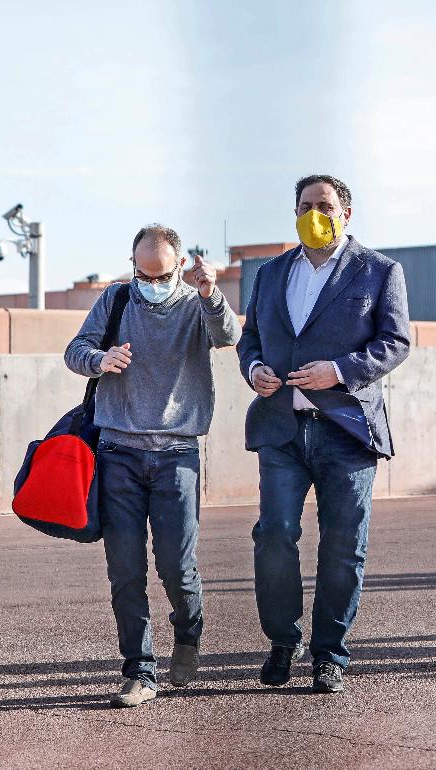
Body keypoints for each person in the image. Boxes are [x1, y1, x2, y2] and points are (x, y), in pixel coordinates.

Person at [238, 174, 410, 694]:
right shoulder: (271, 272)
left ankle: (330, 652)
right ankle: (282, 640)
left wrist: (338, 371)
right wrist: (254, 369)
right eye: (305, 205)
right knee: (274, 535)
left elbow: (395, 341)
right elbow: (250, 339)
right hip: (282, 429)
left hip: (346, 431)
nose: (315, 213)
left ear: (346, 214)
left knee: (343, 544)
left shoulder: (379, 270)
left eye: (325, 205)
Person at [65, 224, 241, 707]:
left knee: (176, 566)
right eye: (143, 274)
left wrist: (210, 293)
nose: (152, 283)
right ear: (133, 265)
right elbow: (75, 351)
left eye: (162, 275)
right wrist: (100, 359)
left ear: (180, 266)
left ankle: (188, 634)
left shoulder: (196, 302)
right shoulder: (117, 298)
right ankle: (139, 671)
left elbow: (228, 335)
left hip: (177, 454)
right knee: (125, 571)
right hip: (118, 452)